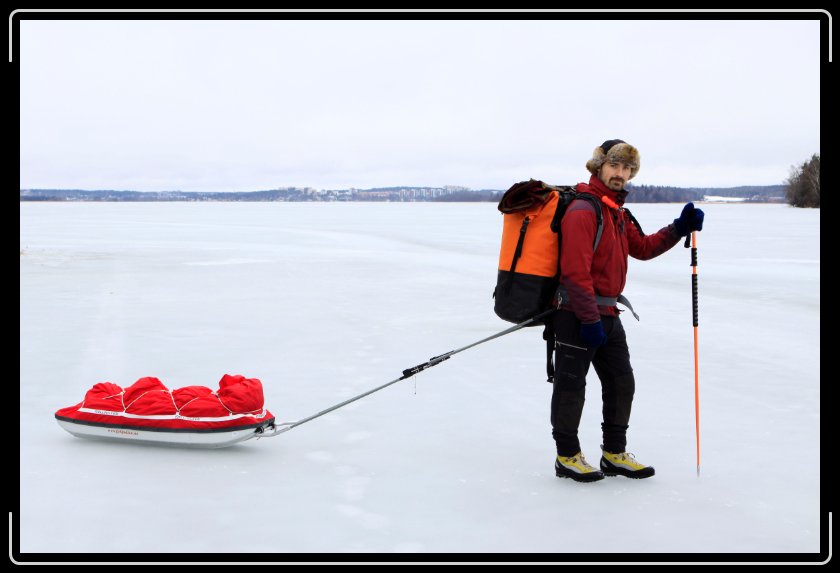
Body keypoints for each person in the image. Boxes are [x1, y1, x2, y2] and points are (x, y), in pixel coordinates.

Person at [551, 139, 704, 482]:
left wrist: (678, 228)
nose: (621, 174)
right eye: (615, 166)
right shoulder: (583, 210)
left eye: (627, 168)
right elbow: (575, 271)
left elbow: (644, 247)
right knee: (571, 386)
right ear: (599, 167)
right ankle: (567, 456)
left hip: (607, 314)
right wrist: (589, 319)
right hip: (577, 312)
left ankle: (614, 453)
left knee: (622, 383)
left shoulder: (616, 211)